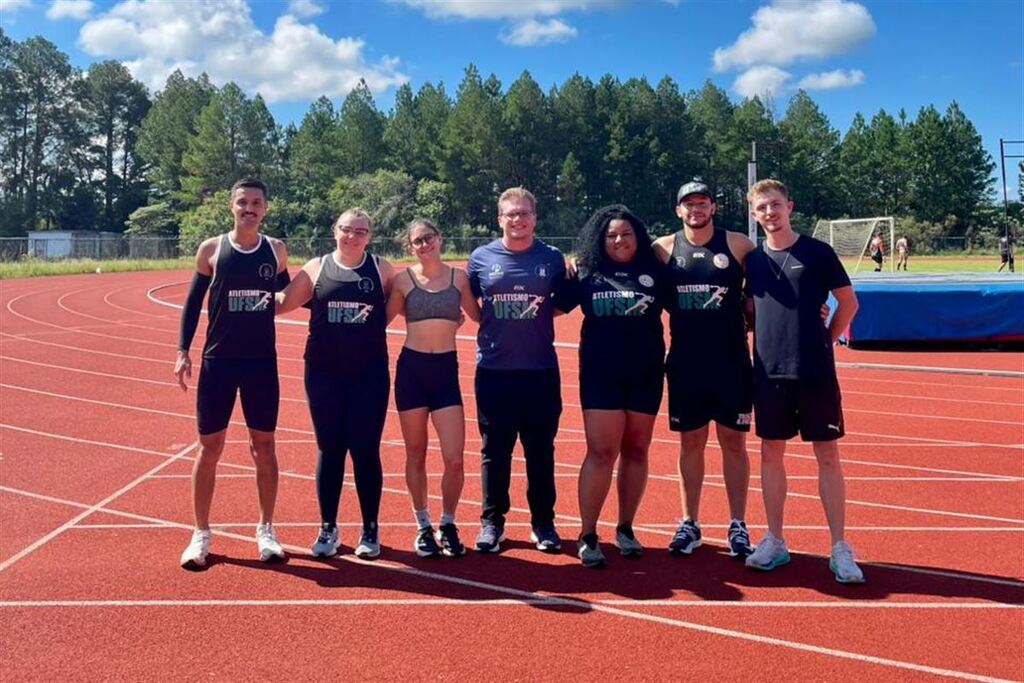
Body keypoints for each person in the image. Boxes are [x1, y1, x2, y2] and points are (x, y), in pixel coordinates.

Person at [743, 179, 864, 584]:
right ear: (754, 214)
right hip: (769, 372)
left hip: (814, 372)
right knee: (769, 455)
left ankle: (839, 546)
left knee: (827, 455)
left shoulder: (817, 252)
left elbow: (848, 303)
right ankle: (775, 539)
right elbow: (748, 309)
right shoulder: (753, 261)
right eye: (762, 208)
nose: (770, 213)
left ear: (789, 206)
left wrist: (826, 340)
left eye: (775, 205)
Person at [175, 177, 290, 569]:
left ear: (266, 208)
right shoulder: (211, 249)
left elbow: (291, 296)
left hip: (261, 364)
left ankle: (266, 529)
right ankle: (201, 533)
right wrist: (182, 351)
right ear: (232, 206)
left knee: (265, 448)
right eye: (243, 202)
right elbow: (192, 305)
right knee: (209, 449)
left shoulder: (276, 250)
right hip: (218, 362)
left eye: (257, 203)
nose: (250, 209)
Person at [275, 208, 395, 560]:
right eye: (346, 229)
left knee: (365, 449)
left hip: (369, 374)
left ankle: (370, 528)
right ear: (334, 230)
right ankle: (328, 526)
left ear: (369, 236)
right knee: (330, 449)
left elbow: (405, 299)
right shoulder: (316, 268)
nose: (352, 236)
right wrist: (243, 289)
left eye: (360, 231)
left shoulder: (381, 269)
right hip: (324, 373)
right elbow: (283, 302)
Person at [652, 181, 756, 561]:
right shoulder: (663, 248)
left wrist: (813, 309)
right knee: (690, 444)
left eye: (702, 202)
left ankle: (738, 524)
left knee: (734, 444)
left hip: (731, 362)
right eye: (688, 203)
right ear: (678, 209)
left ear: (713, 206)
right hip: (685, 362)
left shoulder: (739, 245)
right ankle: (689, 522)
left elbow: (769, 286)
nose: (695, 208)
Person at [559, 205, 666, 568]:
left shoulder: (656, 270)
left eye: (626, 234)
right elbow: (550, 307)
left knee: (637, 449)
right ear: (599, 240)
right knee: (601, 452)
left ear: (638, 236)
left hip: (647, 373)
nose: (619, 240)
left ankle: (625, 528)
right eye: (611, 235)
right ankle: (588, 533)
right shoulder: (586, 271)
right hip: (601, 374)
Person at [467, 187, 568, 554]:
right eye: (511, 214)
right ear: (500, 219)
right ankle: (492, 522)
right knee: (495, 449)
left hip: (540, 370)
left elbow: (562, 302)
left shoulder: (553, 258)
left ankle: (543, 523)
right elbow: (473, 303)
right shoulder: (480, 258)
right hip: (494, 370)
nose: (518, 220)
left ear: (535, 218)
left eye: (524, 213)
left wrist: (533, 316)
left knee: (540, 450)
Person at [385, 219, 481, 558]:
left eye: (428, 238)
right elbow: (378, 321)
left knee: (454, 458)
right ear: (409, 247)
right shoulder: (402, 281)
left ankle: (449, 522)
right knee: (416, 452)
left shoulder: (459, 278)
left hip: (445, 372)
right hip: (412, 370)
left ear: (440, 239)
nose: (424, 245)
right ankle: (423, 524)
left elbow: (481, 317)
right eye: (417, 241)